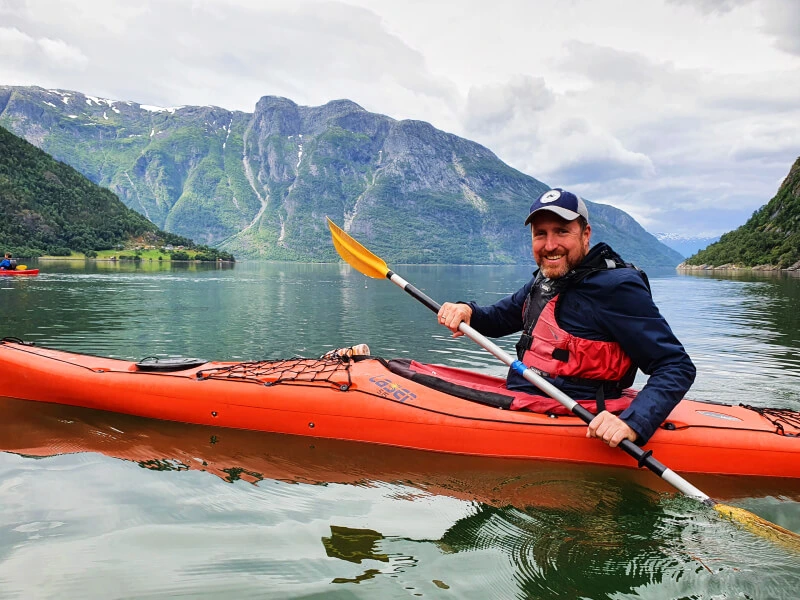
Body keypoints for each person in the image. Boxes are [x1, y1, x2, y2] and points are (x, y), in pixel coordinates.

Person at [436, 188, 695, 448]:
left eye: (561, 231)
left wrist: (632, 423)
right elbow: (500, 318)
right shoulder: (545, 278)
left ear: (585, 234)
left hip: (578, 412)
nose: (550, 245)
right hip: (527, 396)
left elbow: (676, 365)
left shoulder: (616, 288)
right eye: (541, 234)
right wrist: (467, 311)